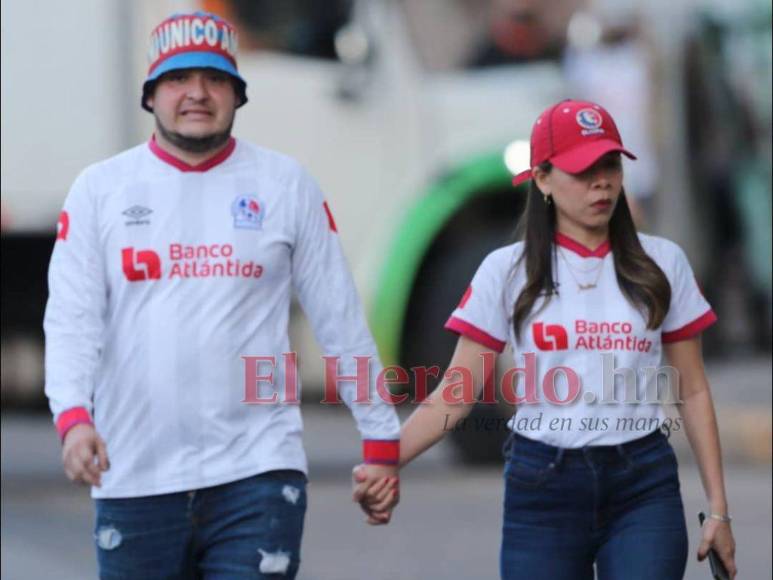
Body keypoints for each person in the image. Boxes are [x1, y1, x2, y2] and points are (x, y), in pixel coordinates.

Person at [44, 11, 399, 579]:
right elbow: (71, 320)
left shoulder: (286, 185)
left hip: (257, 475)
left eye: (215, 79)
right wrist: (73, 416)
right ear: (152, 95)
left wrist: (381, 438)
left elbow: (339, 318)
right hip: (135, 476)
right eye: (179, 79)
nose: (198, 94)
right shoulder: (100, 191)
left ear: (237, 93)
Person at [355, 99, 737, 579]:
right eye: (582, 170)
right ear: (542, 178)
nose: (601, 182)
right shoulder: (505, 270)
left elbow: (694, 389)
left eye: (610, 165)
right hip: (543, 489)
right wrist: (385, 460)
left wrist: (719, 510)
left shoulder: (663, 264)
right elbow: (455, 394)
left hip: (642, 485)